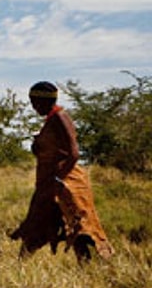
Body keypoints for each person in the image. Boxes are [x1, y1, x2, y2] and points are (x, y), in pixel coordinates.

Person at [10, 81, 114, 261]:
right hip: (50, 184)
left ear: (45, 101)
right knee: (38, 225)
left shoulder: (60, 117)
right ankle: (19, 268)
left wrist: (59, 179)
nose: (33, 107)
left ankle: (96, 267)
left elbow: (74, 153)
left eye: (35, 102)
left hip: (67, 183)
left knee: (79, 228)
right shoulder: (51, 119)